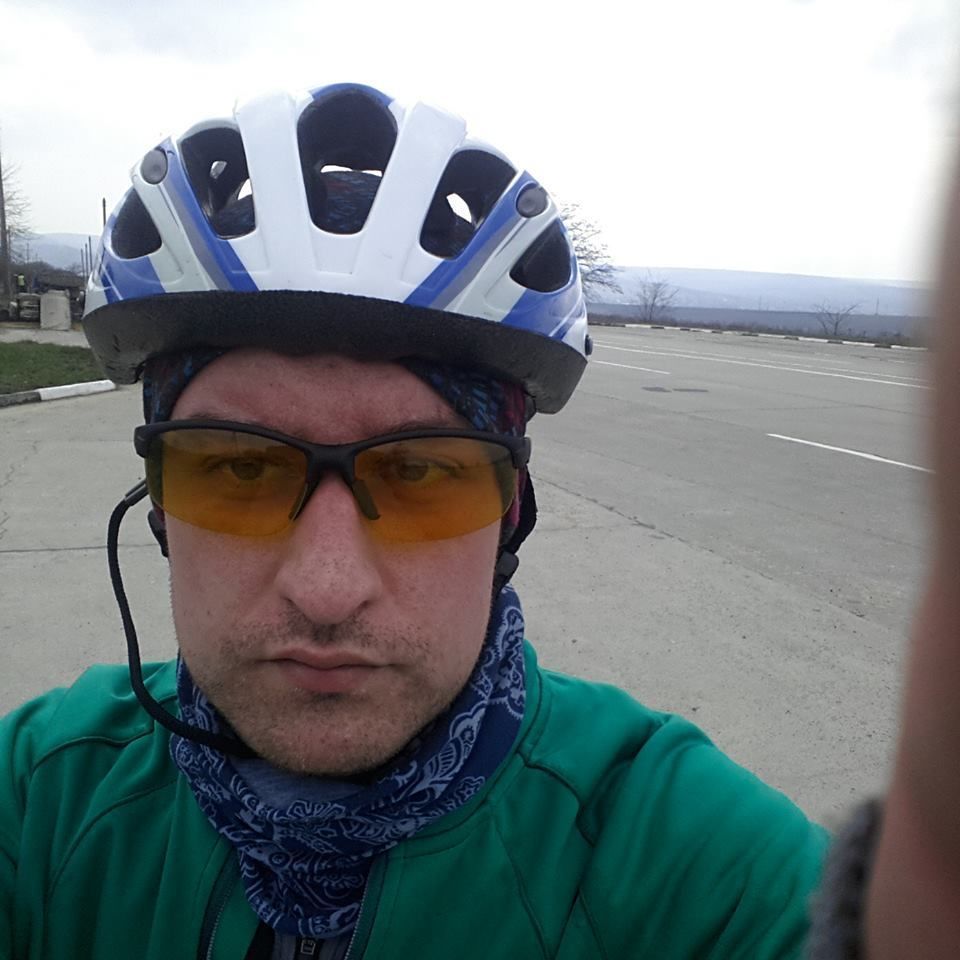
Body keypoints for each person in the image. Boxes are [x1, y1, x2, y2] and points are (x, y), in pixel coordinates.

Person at [0, 80, 955, 959]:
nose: (327, 590)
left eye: (422, 472)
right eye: (238, 468)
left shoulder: (689, 861)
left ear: (511, 516)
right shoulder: (39, 793)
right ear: (161, 506)